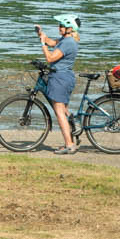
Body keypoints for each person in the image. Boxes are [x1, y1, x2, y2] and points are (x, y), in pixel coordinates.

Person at [37, 14, 82, 152]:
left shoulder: (68, 43)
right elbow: (52, 43)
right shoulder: (65, 40)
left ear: (69, 28)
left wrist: (42, 44)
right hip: (64, 78)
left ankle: (69, 145)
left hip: (60, 79)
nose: (59, 27)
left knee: (59, 112)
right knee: (63, 110)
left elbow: (50, 58)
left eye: (61, 26)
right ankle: (74, 127)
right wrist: (42, 35)